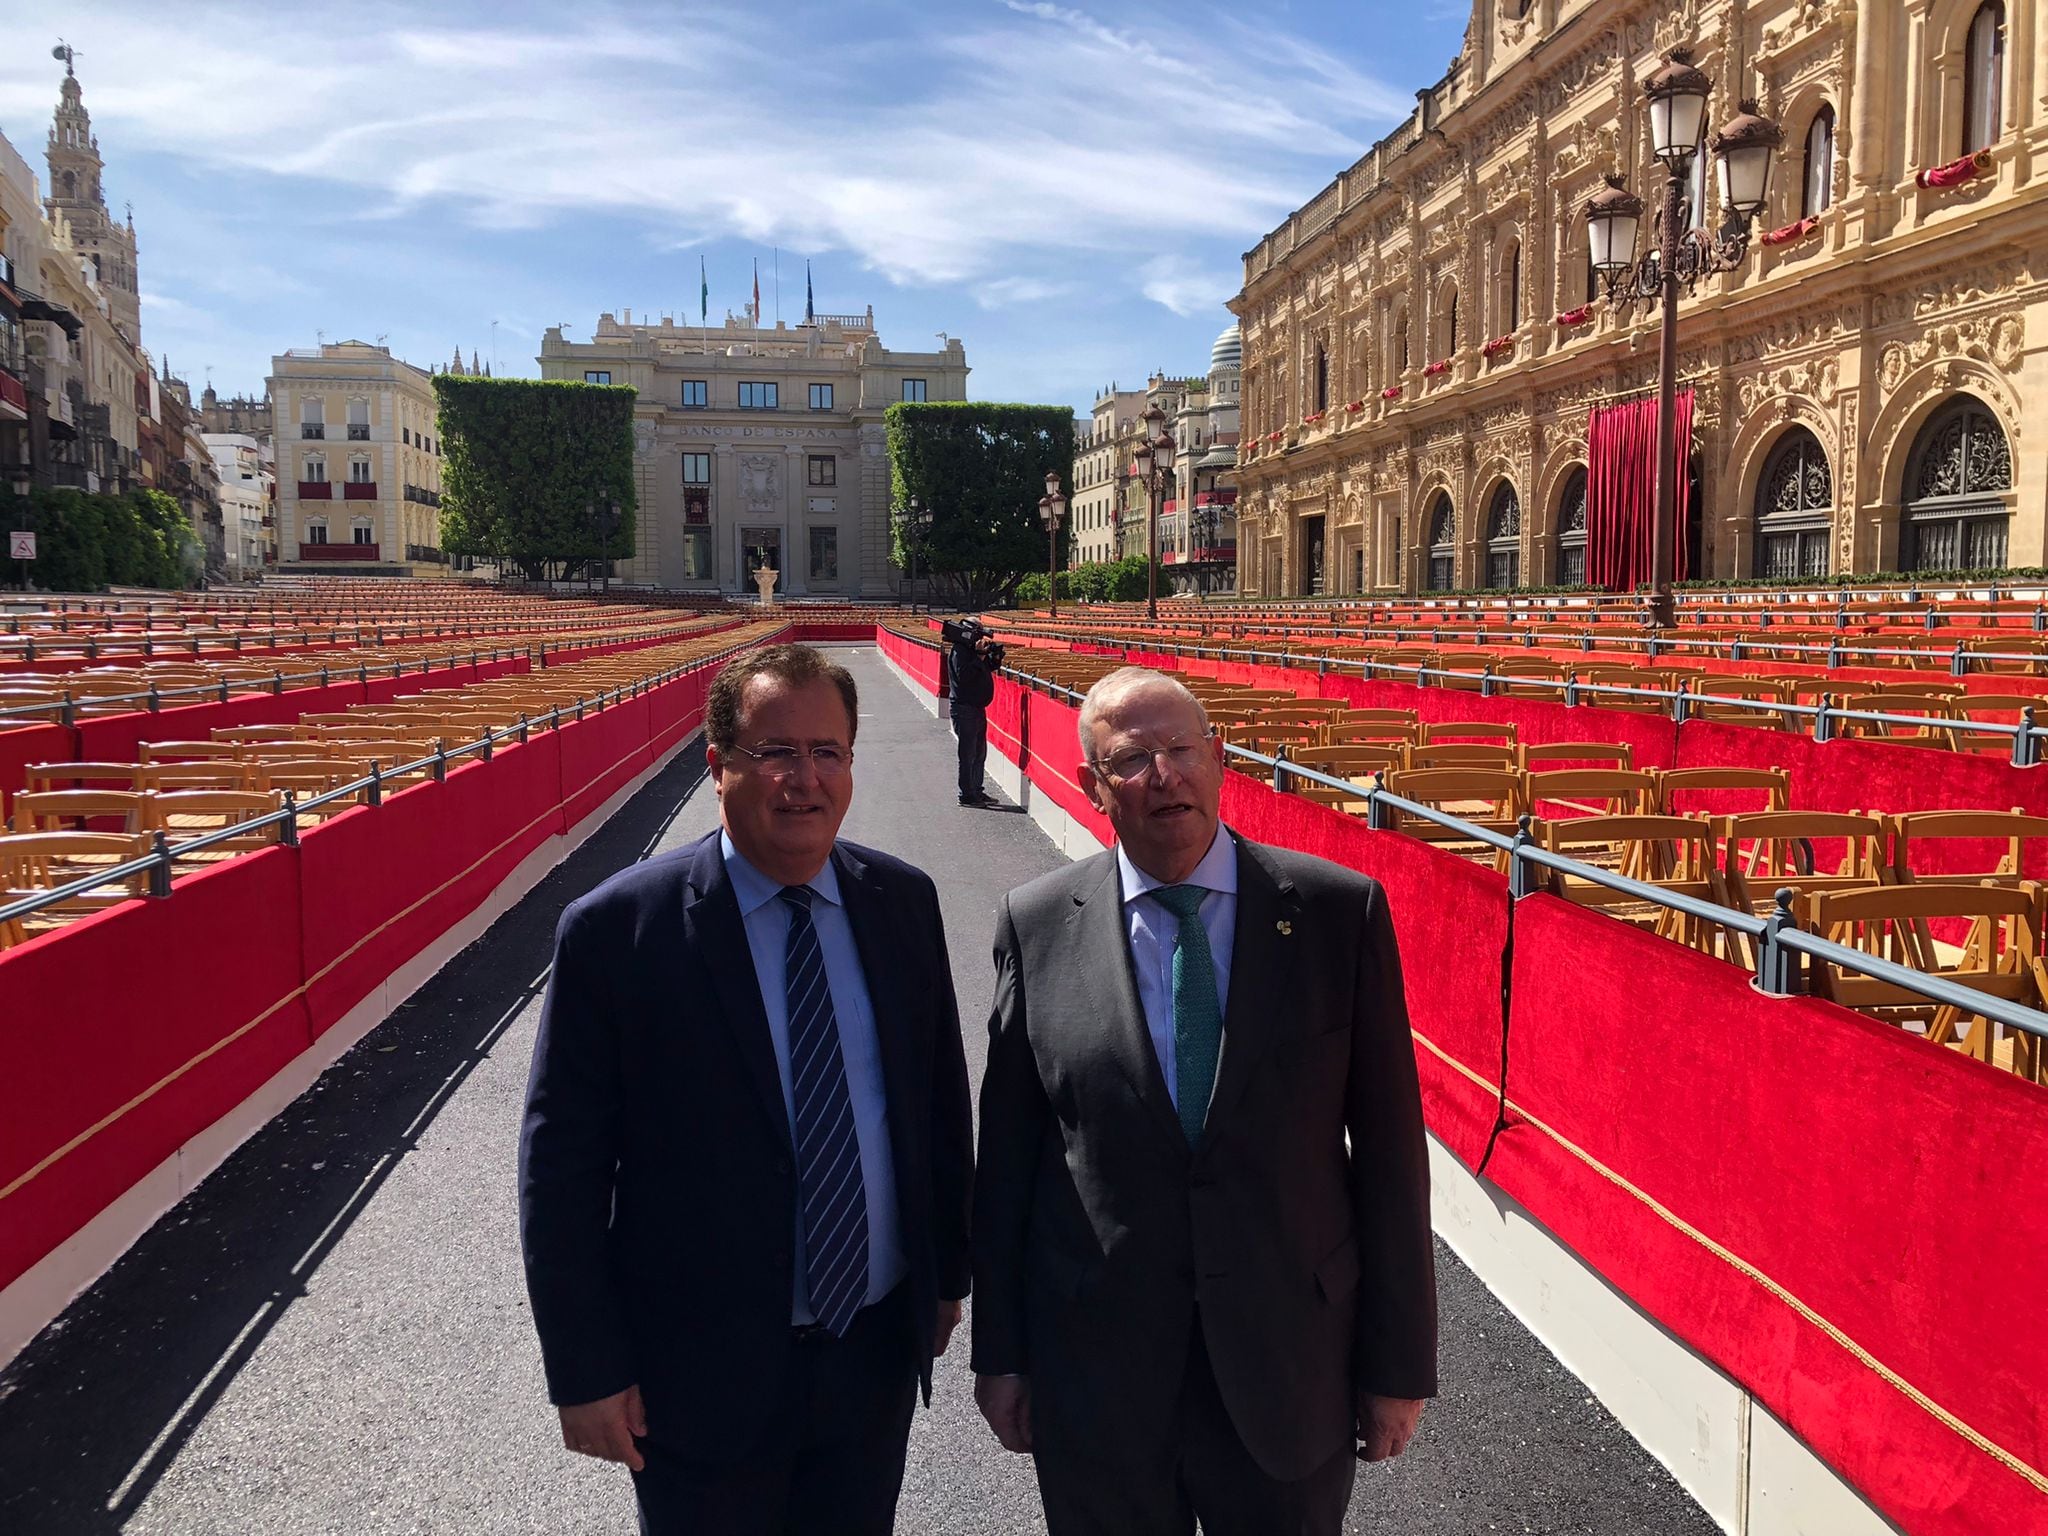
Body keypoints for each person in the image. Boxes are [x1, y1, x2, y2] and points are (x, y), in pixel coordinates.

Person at [519, 643, 974, 1536]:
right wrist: (585, 1370)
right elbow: (562, 1168)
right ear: (717, 762)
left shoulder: (902, 901)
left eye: (827, 752)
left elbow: (936, 1101)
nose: (803, 780)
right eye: (775, 753)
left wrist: (946, 1275)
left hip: (870, 1356)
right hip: (697, 1382)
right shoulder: (617, 932)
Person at [970, 665, 1437, 1536]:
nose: (1164, 775)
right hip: (1098, 1377)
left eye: (1183, 749)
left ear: (1220, 760)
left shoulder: (1339, 914)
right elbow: (1007, 1162)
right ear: (1093, 786)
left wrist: (1399, 1363)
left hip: (1288, 1369)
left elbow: (1389, 1160)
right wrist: (999, 1354)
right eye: (1133, 759)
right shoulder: (1035, 924)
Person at [945, 619, 1000, 806]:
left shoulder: (970, 650)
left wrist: (992, 659)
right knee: (967, 754)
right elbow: (964, 677)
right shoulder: (959, 650)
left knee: (979, 753)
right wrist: (978, 657)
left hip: (976, 708)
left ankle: (976, 790)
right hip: (964, 708)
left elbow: (982, 669)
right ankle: (966, 795)